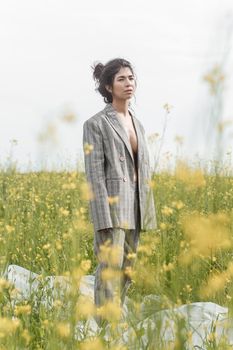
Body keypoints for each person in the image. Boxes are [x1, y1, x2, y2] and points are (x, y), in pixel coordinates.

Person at [82, 58, 157, 327]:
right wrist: (102, 219)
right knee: (109, 270)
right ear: (108, 86)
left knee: (127, 272)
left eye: (131, 78)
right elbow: (94, 174)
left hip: (135, 208)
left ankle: (115, 321)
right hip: (111, 208)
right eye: (122, 79)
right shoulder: (96, 124)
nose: (129, 84)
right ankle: (104, 328)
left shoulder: (139, 124)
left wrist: (147, 210)